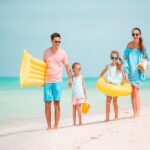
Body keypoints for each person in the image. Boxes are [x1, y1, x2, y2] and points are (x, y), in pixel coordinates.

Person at [43, 33, 72, 130]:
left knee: (57, 103)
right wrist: (41, 79)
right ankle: (48, 126)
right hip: (47, 81)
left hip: (58, 81)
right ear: (51, 41)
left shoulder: (63, 53)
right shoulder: (46, 52)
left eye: (59, 42)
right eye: (56, 41)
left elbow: (67, 66)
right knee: (47, 104)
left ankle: (55, 125)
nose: (57, 43)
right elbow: (43, 66)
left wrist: (70, 78)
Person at [123, 28, 150, 118]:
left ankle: (137, 112)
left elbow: (147, 58)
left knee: (135, 90)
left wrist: (145, 66)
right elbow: (125, 58)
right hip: (130, 71)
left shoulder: (142, 45)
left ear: (140, 35)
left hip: (138, 71)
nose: (135, 36)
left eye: (137, 34)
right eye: (133, 34)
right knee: (132, 92)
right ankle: (135, 112)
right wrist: (126, 71)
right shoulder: (129, 45)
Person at [99, 50, 126, 122]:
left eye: (115, 58)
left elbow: (123, 76)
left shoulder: (119, 67)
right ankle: (107, 118)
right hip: (109, 85)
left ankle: (116, 116)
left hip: (116, 86)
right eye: (112, 57)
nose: (113, 59)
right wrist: (100, 79)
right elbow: (102, 72)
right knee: (107, 101)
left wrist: (125, 79)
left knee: (115, 102)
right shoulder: (108, 66)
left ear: (117, 58)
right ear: (110, 58)